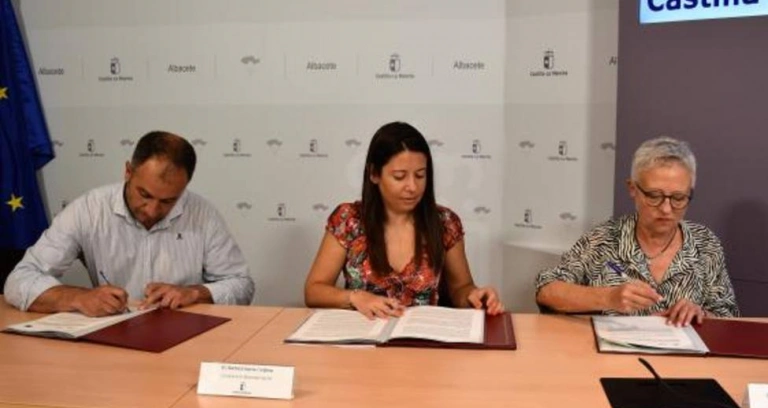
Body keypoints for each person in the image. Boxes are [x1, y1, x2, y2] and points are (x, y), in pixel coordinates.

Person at [4, 131, 254, 316]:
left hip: (185, 335)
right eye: (144, 194)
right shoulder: (89, 209)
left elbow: (242, 285)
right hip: (112, 337)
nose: (152, 210)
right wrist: (78, 298)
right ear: (128, 172)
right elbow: (19, 280)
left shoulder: (202, 213)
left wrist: (195, 293)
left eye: (168, 201)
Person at [304, 121, 503, 319]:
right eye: (399, 177)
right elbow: (314, 290)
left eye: (420, 175)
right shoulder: (348, 220)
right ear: (374, 174)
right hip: (364, 334)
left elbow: (461, 288)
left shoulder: (445, 223)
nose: (412, 187)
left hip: (424, 334)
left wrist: (474, 296)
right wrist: (355, 297)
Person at [536, 136, 739, 326]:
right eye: (654, 196)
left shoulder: (705, 244)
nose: (666, 209)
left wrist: (701, 314)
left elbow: (728, 315)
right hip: (614, 352)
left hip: (685, 353)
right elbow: (547, 290)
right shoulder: (604, 239)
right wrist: (608, 297)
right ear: (632, 189)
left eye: (678, 198)